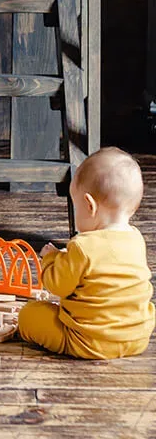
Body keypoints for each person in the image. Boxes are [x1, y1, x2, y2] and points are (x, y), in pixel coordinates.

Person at [18, 147, 155, 359]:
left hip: (89, 342)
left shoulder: (83, 246)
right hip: (136, 339)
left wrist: (51, 258)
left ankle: (77, 341)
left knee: (29, 315)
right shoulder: (136, 239)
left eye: (76, 206)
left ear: (90, 206)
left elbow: (57, 285)